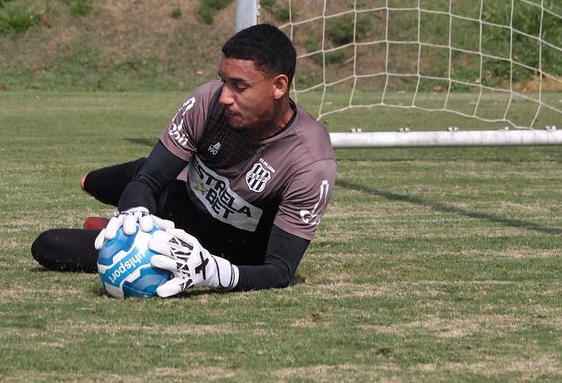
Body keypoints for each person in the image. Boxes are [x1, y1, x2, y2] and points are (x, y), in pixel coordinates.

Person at [31, 23, 337, 297]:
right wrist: (135, 213)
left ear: (279, 86)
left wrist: (217, 273)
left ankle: (110, 229)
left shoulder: (311, 161)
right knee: (96, 182)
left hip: (205, 248)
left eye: (239, 86)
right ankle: (122, 221)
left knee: (49, 245)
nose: (225, 97)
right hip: (176, 196)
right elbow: (148, 181)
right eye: (223, 81)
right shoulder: (207, 101)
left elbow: (280, 270)